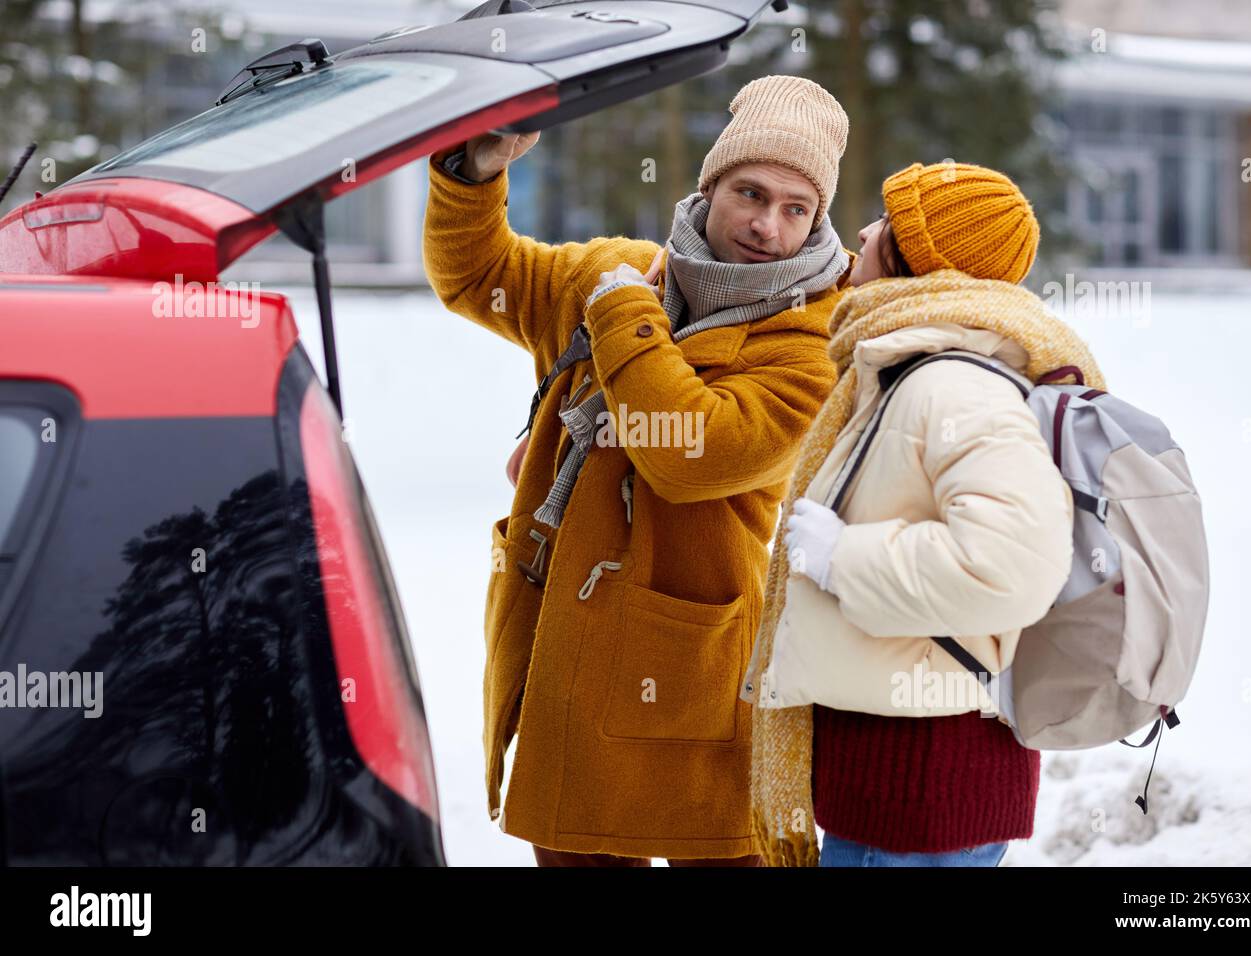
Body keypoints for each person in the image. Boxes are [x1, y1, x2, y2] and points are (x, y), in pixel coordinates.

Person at [422, 75, 858, 865]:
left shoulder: (810, 345)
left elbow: (689, 454)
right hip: (572, 659)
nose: (767, 225)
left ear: (817, 218)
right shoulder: (623, 270)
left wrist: (623, 316)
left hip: (697, 678)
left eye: (796, 209)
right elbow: (478, 278)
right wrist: (473, 174)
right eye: (749, 193)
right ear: (709, 187)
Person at [742, 161, 1108, 867]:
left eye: (885, 222)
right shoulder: (916, 368)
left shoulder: (952, 383)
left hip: (919, 797)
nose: (862, 231)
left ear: (918, 256)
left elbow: (1012, 566)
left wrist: (843, 559)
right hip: (905, 786)